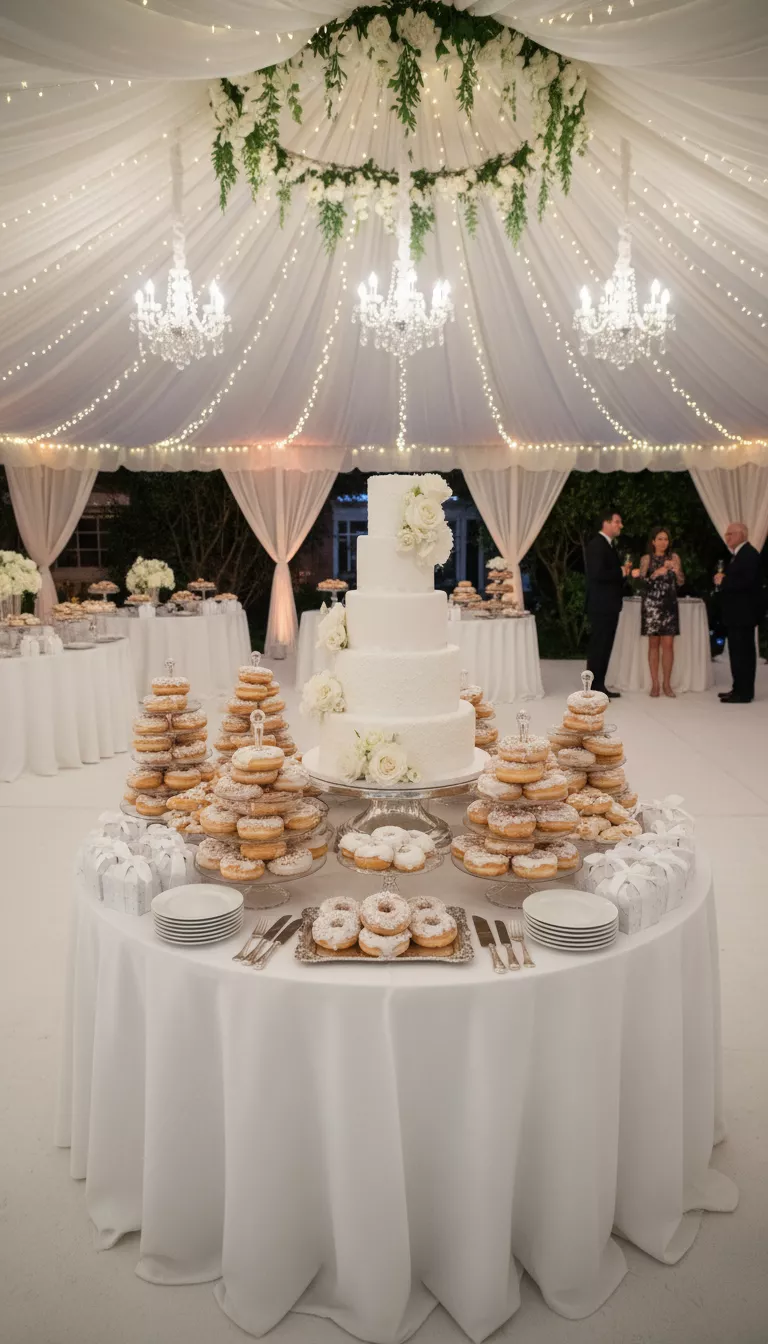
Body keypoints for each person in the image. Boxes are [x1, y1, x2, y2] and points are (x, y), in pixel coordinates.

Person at [632, 527, 684, 698]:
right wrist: (656, 573)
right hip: (652, 605)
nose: (663, 542)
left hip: (669, 605)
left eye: (666, 539)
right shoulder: (646, 559)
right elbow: (641, 584)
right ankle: (655, 684)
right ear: (653, 541)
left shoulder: (674, 558)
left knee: (668, 645)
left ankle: (667, 684)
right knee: (653, 644)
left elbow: (681, 582)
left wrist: (677, 572)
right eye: (660, 539)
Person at [714, 521, 763, 703]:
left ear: (742, 535)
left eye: (730, 534)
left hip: (744, 614)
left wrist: (724, 582)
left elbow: (747, 582)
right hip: (737, 613)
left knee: (743, 653)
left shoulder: (749, 554)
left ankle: (743, 692)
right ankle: (738, 688)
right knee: (737, 652)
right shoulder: (738, 554)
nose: (727, 537)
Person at [585, 507, 631, 697]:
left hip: (608, 604)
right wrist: (621, 572)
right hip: (601, 605)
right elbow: (597, 574)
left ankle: (599, 685)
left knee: (605, 646)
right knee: (599, 646)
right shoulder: (598, 544)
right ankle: (592, 688)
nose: (620, 525)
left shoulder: (608, 544)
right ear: (606, 523)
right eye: (617, 522)